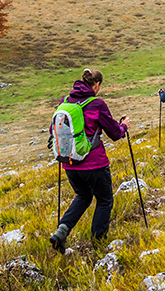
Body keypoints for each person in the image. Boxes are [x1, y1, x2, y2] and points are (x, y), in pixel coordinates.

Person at [49, 68, 129, 251]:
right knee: (104, 199)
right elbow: (115, 134)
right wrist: (123, 126)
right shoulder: (97, 104)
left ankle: (61, 232)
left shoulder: (65, 102)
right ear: (97, 84)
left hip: (69, 162)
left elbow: (52, 130)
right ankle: (99, 243)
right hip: (94, 163)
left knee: (84, 196)